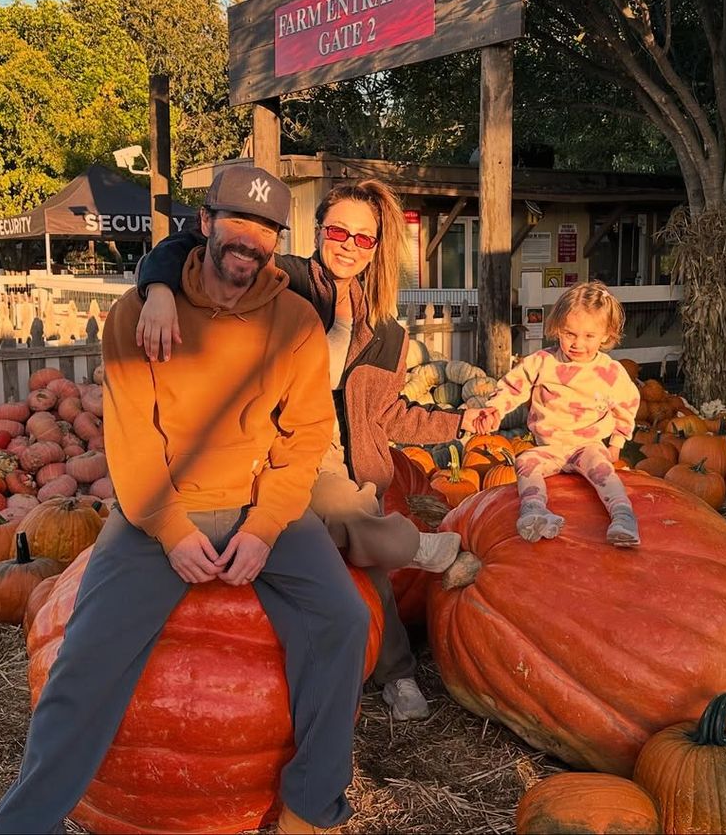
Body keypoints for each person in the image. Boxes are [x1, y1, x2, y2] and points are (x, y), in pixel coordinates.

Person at [0, 165, 368, 835]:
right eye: (237, 221)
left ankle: (311, 806)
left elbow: (306, 434)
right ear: (206, 222)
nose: (249, 239)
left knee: (343, 618)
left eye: (266, 228)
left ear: (277, 239)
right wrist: (171, 530)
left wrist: (264, 526)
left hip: (258, 502)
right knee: (83, 660)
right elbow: (131, 442)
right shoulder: (135, 317)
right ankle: (24, 824)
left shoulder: (297, 323)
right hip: (158, 510)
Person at [134, 177, 487, 721]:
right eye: (338, 231)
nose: (348, 245)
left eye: (362, 238)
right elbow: (194, 245)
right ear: (319, 230)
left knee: (361, 551)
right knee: (346, 520)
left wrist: (458, 423)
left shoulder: (385, 331)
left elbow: (389, 413)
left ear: (376, 247)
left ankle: (395, 673)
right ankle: (415, 548)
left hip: (340, 449)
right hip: (274, 435)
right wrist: (157, 289)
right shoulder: (286, 280)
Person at [476, 280, 642, 545]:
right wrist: (495, 408)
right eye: (569, 334)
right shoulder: (543, 362)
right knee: (525, 462)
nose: (578, 343)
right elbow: (515, 385)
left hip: (587, 445)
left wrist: (617, 443)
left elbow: (627, 404)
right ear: (557, 329)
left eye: (589, 336)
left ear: (605, 335)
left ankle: (623, 516)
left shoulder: (610, 372)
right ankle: (534, 510)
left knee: (604, 472)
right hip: (550, 448)